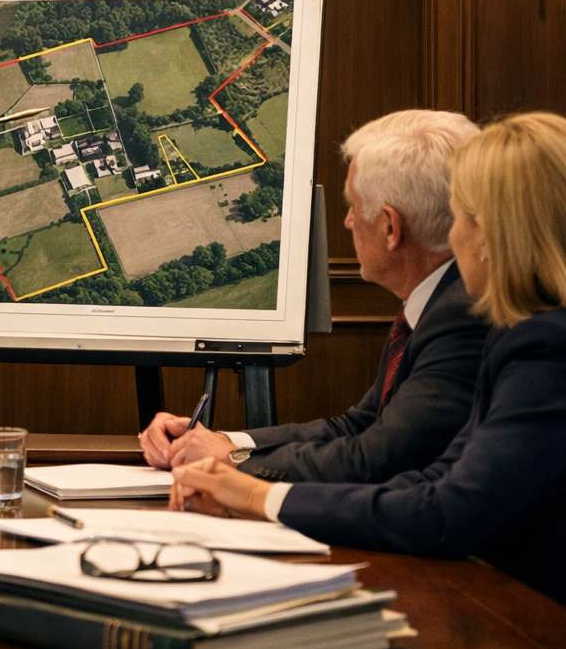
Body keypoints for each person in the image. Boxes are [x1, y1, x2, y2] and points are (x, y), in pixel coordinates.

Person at [170, 112, 566, 604]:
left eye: (460, 215)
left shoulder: (543, 346)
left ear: (491, 236)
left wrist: (254, 494)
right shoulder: (528, 333)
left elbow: (445, 513)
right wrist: (240, 471)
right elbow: (435, 479)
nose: (452, 233)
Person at [141, 110, 488, 483]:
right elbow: (357, 427)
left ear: (391, 228)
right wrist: (223, 441)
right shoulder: (435, 301)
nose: (347, 222)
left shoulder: (460, 314)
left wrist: (234, 461)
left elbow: (376, 459)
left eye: (353, 207)